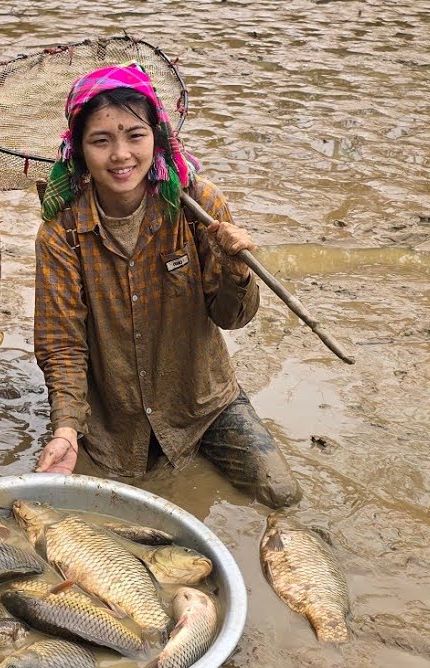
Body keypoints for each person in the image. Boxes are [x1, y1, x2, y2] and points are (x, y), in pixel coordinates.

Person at [32, 63, 301, 508]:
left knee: (283, 496)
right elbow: (62, 344)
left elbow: (233, 318)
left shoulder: (199, 205)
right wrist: (65, 427)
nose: (121, 155)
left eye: (135, 136)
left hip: (204, 404)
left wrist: (237, 268)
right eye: (102, 140)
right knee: (74, 513)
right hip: (112, 420)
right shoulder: (60, 233)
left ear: (156, 138)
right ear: (79, 151)